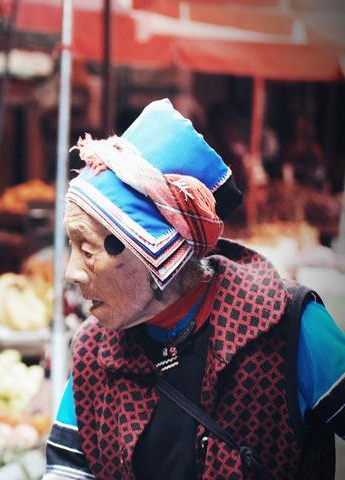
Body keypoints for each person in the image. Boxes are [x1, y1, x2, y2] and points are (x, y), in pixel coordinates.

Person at [44, 99, 344, 479]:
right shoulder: (93, 351)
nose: (73, 272)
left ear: (154, 251)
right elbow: (68, 471)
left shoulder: (287, 326)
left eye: (87, 250)